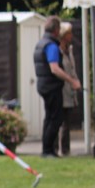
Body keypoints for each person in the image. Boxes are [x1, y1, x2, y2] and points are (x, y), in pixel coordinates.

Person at [34, 16, 81, 159]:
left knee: (49, 118)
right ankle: (48, 150)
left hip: (43, 84)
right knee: (56, 118)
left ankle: (47, 150)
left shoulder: (41, 43)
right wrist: (71, 80)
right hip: (51, 86)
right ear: (56, 30)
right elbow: (54, 68)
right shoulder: (52, 46)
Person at [57, 22, 80, 156]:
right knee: (60, 121)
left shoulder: (69, 50)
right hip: (61, 90)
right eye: (69, 33)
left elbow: (72, 69)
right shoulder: (57, 51)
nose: (71, 35)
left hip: (70, 89)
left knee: (67, 121)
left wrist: (76, 82)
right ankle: (58, 149)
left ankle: (66, 149)